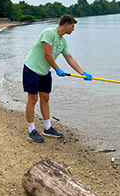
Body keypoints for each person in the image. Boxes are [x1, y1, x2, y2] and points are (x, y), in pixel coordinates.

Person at [23, 15, 92, 143]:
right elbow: (47, 54)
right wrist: (57, 69)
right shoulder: (49, 33)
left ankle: (47, 128)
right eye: (72, 26)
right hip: (32, 69)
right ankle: (31, 130)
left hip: (44, 71)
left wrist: (83, 73)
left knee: (45, 98)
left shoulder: (63, 42)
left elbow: (70, 58)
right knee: (33, 99)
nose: (73, 29)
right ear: (66, 24)